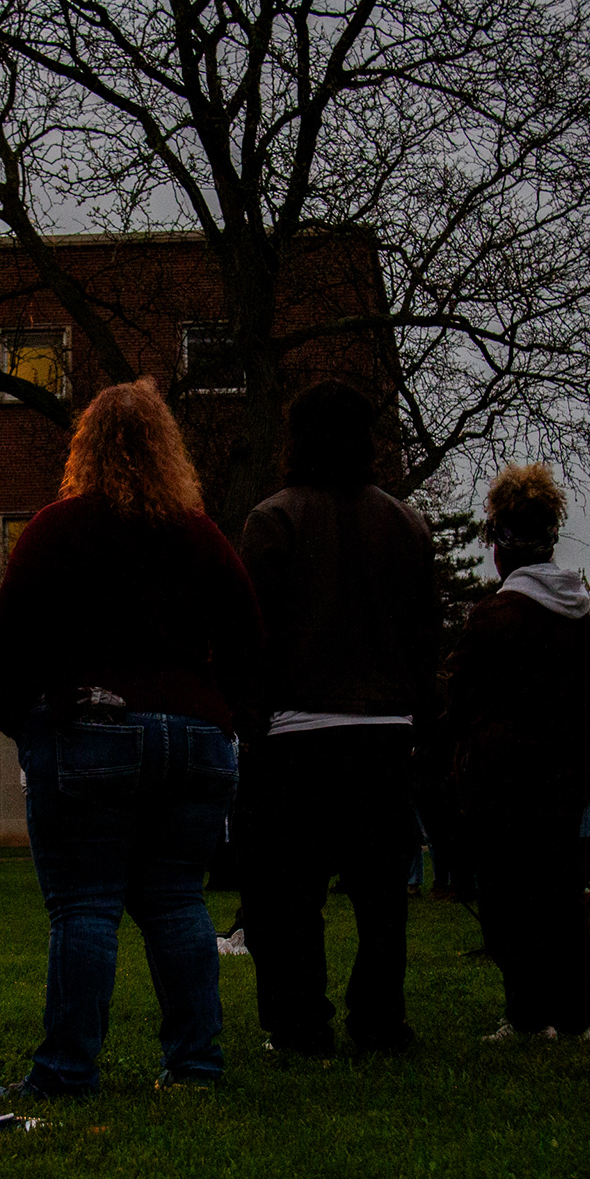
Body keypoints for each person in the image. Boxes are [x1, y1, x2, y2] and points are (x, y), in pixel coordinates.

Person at [0, 377, 261, 1095]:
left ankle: (68, 1070)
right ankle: (195, 1065)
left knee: (84, 903)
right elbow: (247, 633)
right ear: (168, 449)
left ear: (86, 448)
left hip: (91, 727)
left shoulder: (56, 529)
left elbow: (10, 635)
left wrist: (25, 721)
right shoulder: (200, 534)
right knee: (177, 899)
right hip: (195, 736)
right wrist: (223, 712)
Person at [235, 381, 436, 1059]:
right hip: (385, 731)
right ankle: (380, 1020)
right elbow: (423, 636)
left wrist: (251, 718)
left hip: (297, 734)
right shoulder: (407, 525)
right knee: (382, 893)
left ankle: (299, 1023)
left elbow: (252, 636)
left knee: (289, 891)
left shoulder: (274, 519)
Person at [449, 463, 590, 1042]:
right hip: (562, 781)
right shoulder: (577, 616)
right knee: (559, 898)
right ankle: (575, 1017)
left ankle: (526, 1013)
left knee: (506, 901)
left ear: (500, 544)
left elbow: (461, 698)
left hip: (502, 781)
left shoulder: (495, 617)